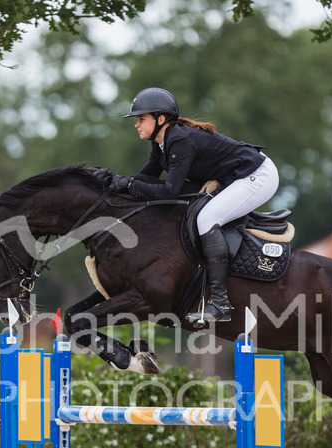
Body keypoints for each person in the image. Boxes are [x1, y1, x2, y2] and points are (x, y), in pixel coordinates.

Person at [110, 87, 279, 324]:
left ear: (161, 119)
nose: (136, 124)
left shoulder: (179, 140)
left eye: (141, 119)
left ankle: (220, 302)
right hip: (238, 177)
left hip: (257, 176)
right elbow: (145, 178)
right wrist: (113, 183)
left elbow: (169, 190)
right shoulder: (161, 143)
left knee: (207, 219)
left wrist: (128, 185)